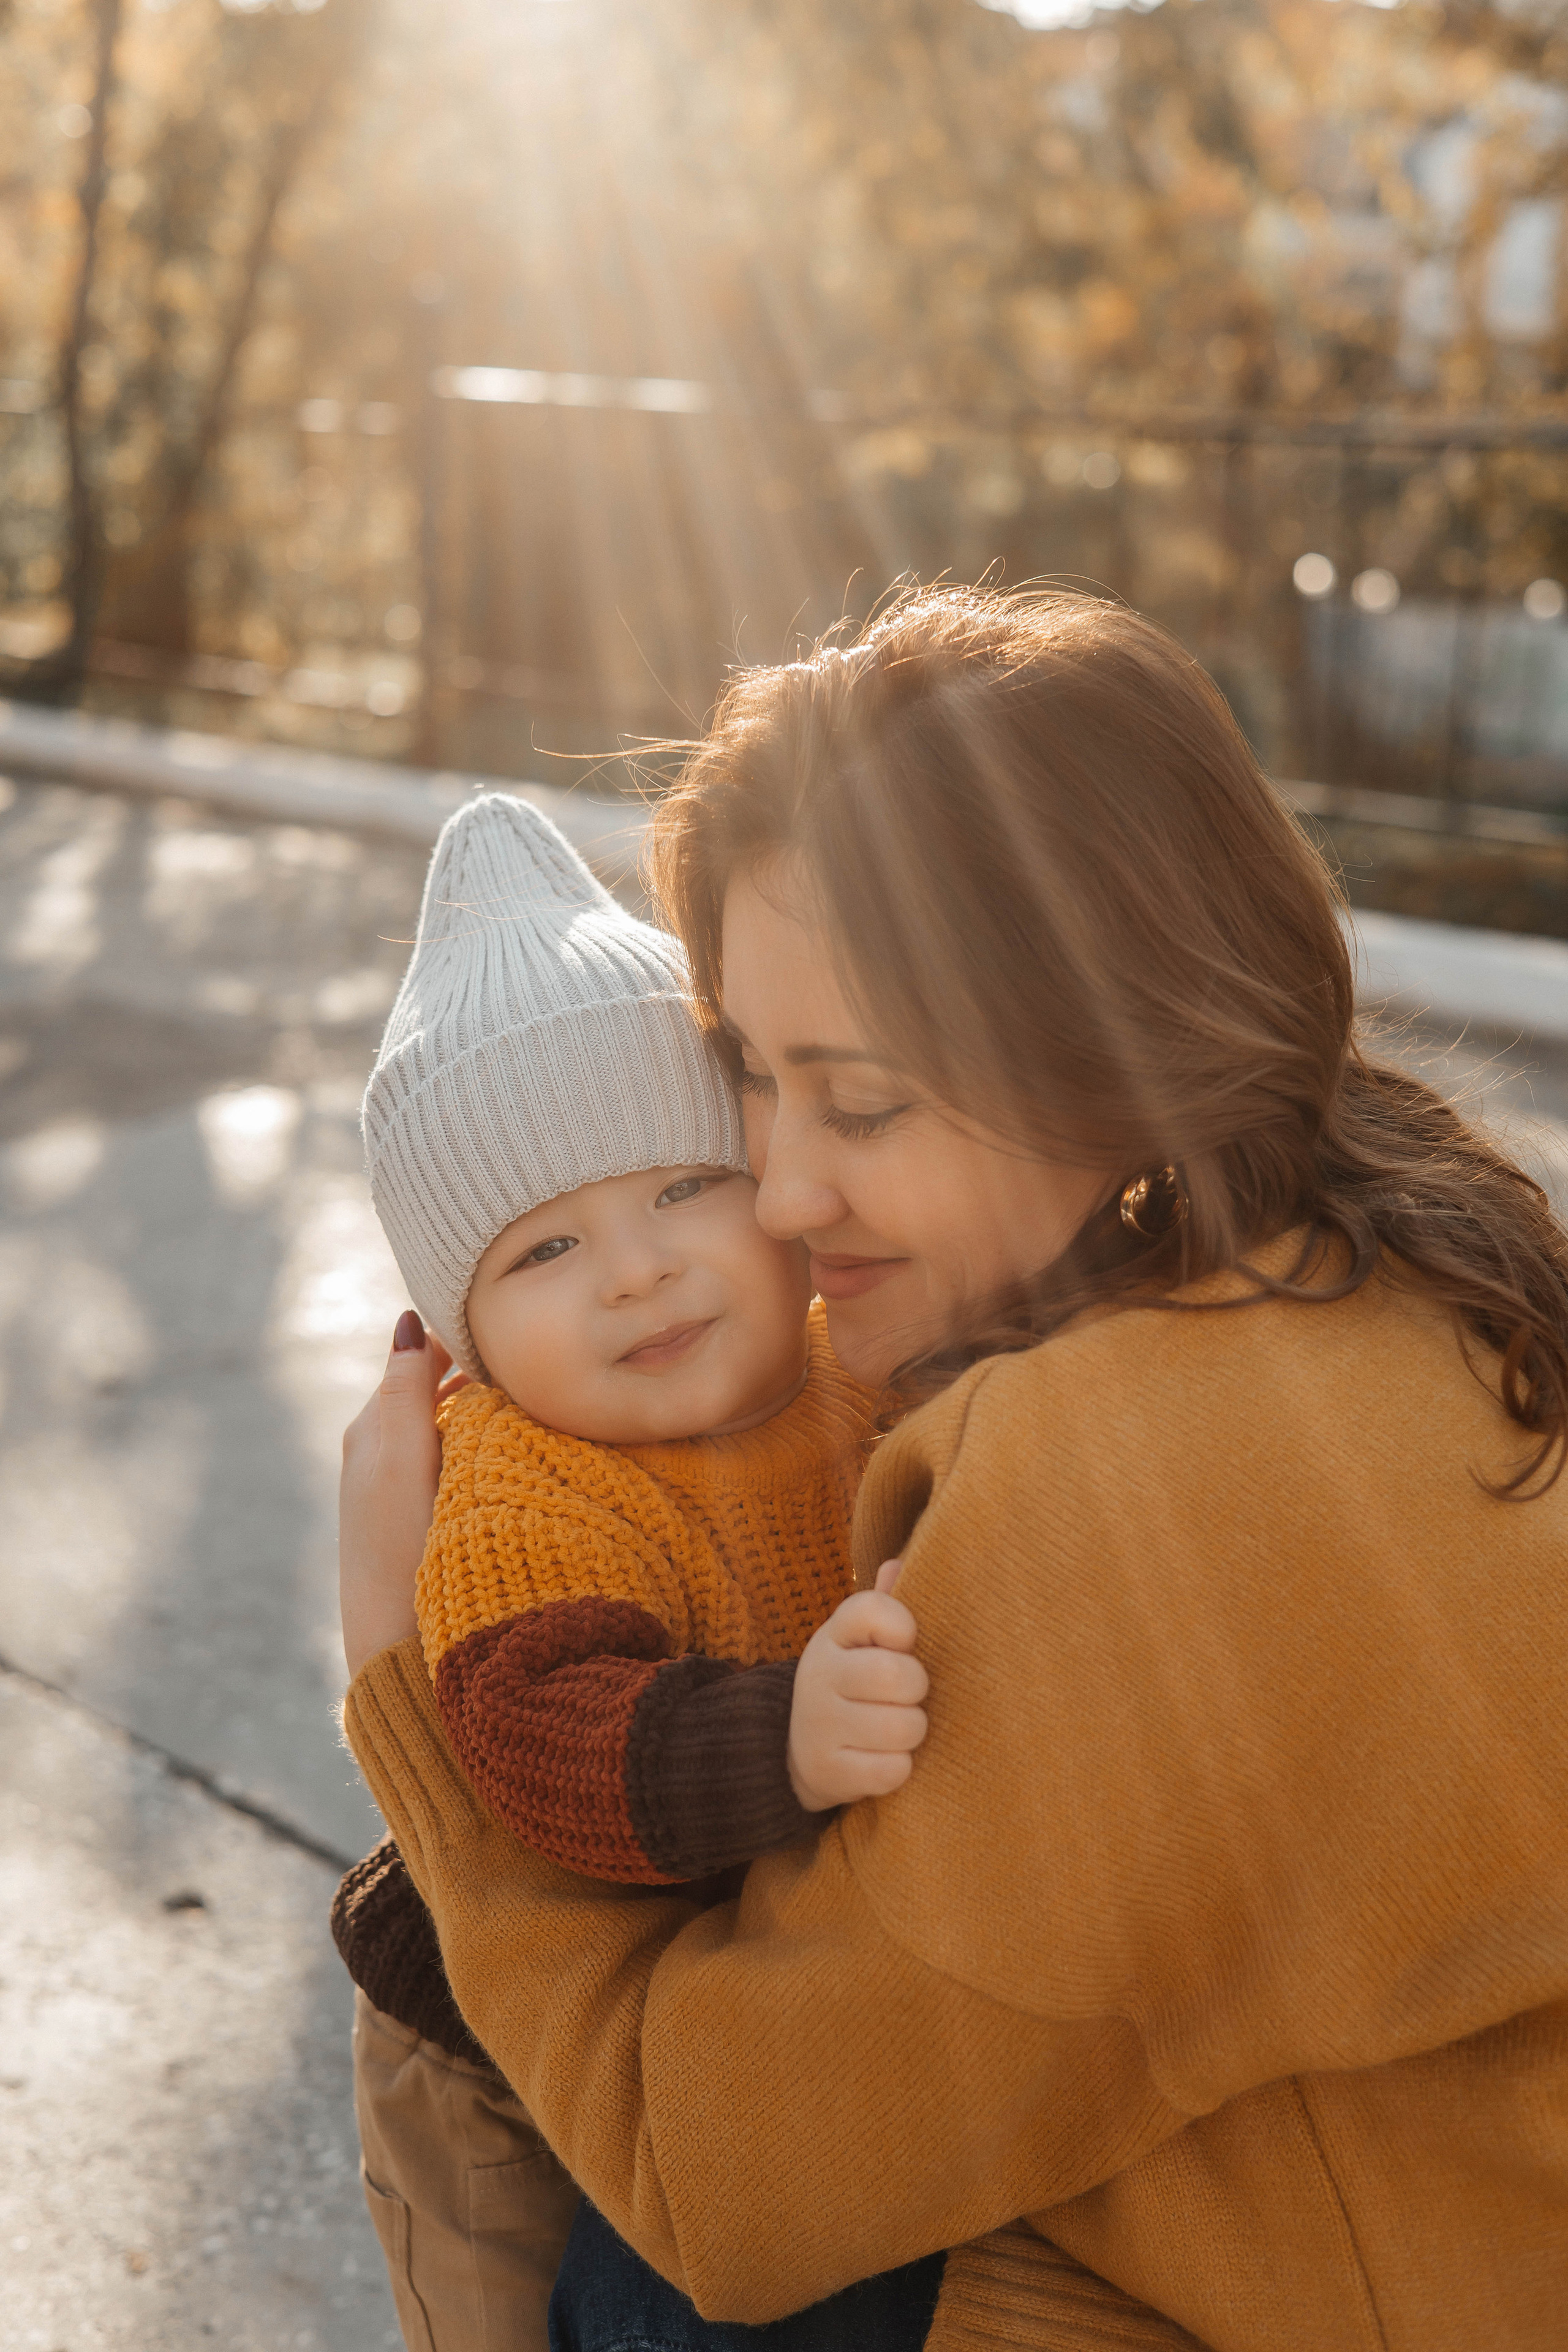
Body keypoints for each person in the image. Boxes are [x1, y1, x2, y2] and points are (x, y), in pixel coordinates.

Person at [339, 585, 1568, 2351]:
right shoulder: (1386, 1255)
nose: (777, 1192)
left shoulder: (1120, 1477)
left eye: (868, 1101)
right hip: (1401, 2218)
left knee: (626, 2272)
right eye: (754, 1079)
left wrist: (407, 1678)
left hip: (1335, 2285)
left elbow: (712, 2181)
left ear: (1112, 1045)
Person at [331, 790, 933, 2350]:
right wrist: (782, 1734)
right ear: (463, 1338)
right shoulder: (531, 1476)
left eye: (684, 1186)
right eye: (543, 1251)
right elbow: (539, 1731)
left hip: (833, 1997)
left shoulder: (857, 1363)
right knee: (643, 2300)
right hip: (585, 2042)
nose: (637, 1268)